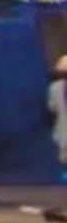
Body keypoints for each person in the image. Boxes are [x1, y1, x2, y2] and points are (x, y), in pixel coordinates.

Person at [50, 52, 67, 182]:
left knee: (64, 154)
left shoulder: (54, 87)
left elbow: (52, 107)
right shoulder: (54, 87)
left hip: (63, 127)